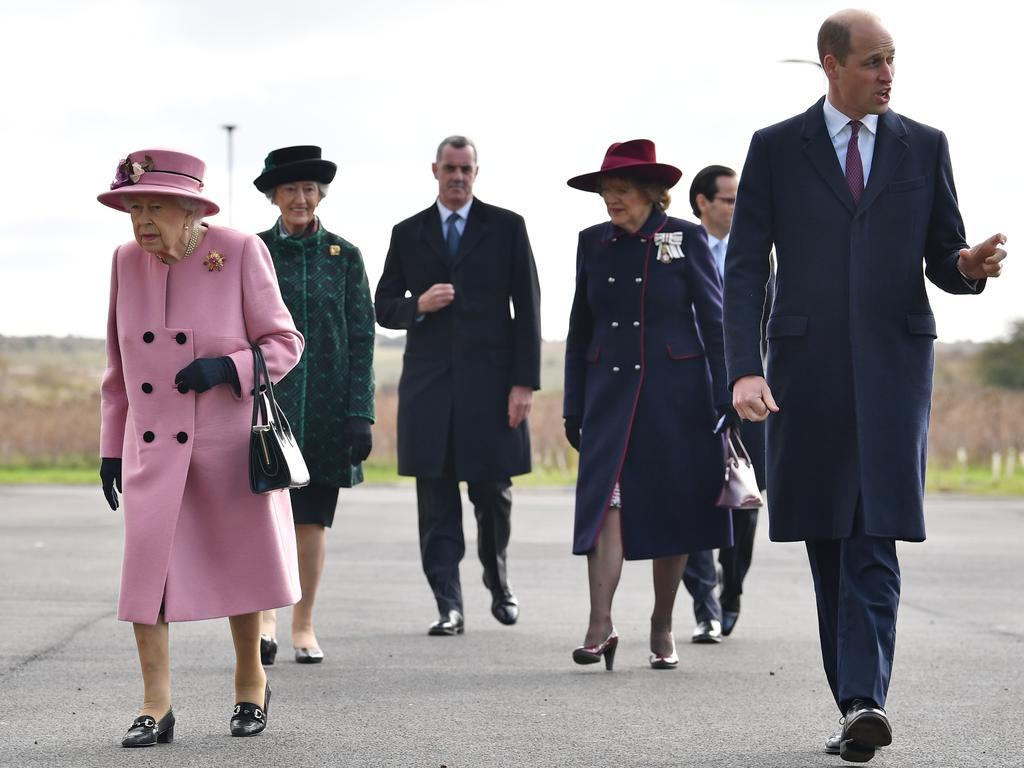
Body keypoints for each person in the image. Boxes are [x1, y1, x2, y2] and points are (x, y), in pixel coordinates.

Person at [724, 10, 1007, 762]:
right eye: (874, 61)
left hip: (892, 372)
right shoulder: (776, 149)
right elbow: (746, 265)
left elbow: (944, 252)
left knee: (874, 534)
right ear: (831, 65)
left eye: (893, 61)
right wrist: (743, 368)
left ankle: (864, 701)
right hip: (803, 374)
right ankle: (853, 697)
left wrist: (967, 268)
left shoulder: (926, 145)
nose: (888, 74)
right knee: (827, 538)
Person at [97, 149, 304, 745]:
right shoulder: (124, 261)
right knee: (147, 578)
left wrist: (227, 367)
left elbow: (286, 343)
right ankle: (154, 706)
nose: (141, 220)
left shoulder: (238, 250)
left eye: (154, 206)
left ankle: (250, 685)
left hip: (227, 445)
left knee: (241, 570)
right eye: (134, 207)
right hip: (154, 448)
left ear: (191, 210)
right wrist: (113, 447)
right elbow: (117, 370)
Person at [563, 139, 734, 671]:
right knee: (605, 507)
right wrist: (574, 403)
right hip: (608, 398)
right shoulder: (592, 242)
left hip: (677, 399)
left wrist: (726, 393)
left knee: (673, 512)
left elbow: (713, 318)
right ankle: (599, 625)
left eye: (621, 191)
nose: (611, 201)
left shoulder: (683, 237)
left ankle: (662, 624)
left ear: (651, 194)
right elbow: (578, 329)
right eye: (606, 192)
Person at [374, 136, 541, 636]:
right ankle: (448, 603)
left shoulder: (507, 227)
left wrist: (524, 385)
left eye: (465, 168)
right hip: (428, 391)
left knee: (493, 495)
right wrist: (417, 305)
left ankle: (498, 578)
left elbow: (528, 310)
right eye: (450, 168)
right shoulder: (408, 233)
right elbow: (382, 304)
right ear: (434, 170)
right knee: (435, 500)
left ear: (476, 172)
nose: (458, 176)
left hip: (492, 390)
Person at [253, 146, 375, 666]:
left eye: (309, 189)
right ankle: (265, 619)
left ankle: (303, 623)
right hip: (265, 405)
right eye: (290, 189)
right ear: (274, 195)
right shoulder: (251, 251)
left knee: (311, 522)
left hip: (328, 409)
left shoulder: (344, 256)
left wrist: (361, 412)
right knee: (262, 515)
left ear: (320, 194)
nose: (300, 198)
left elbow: (363, 337)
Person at [681, 165, 766, 643]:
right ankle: (705, 604)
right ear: (702, 202)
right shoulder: (680, 249)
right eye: (729, 200)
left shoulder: (758, 256)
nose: (737, 207)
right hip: (692, 390)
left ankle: (731, 590)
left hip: (748, 395)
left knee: (743, 503)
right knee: (693, 500)